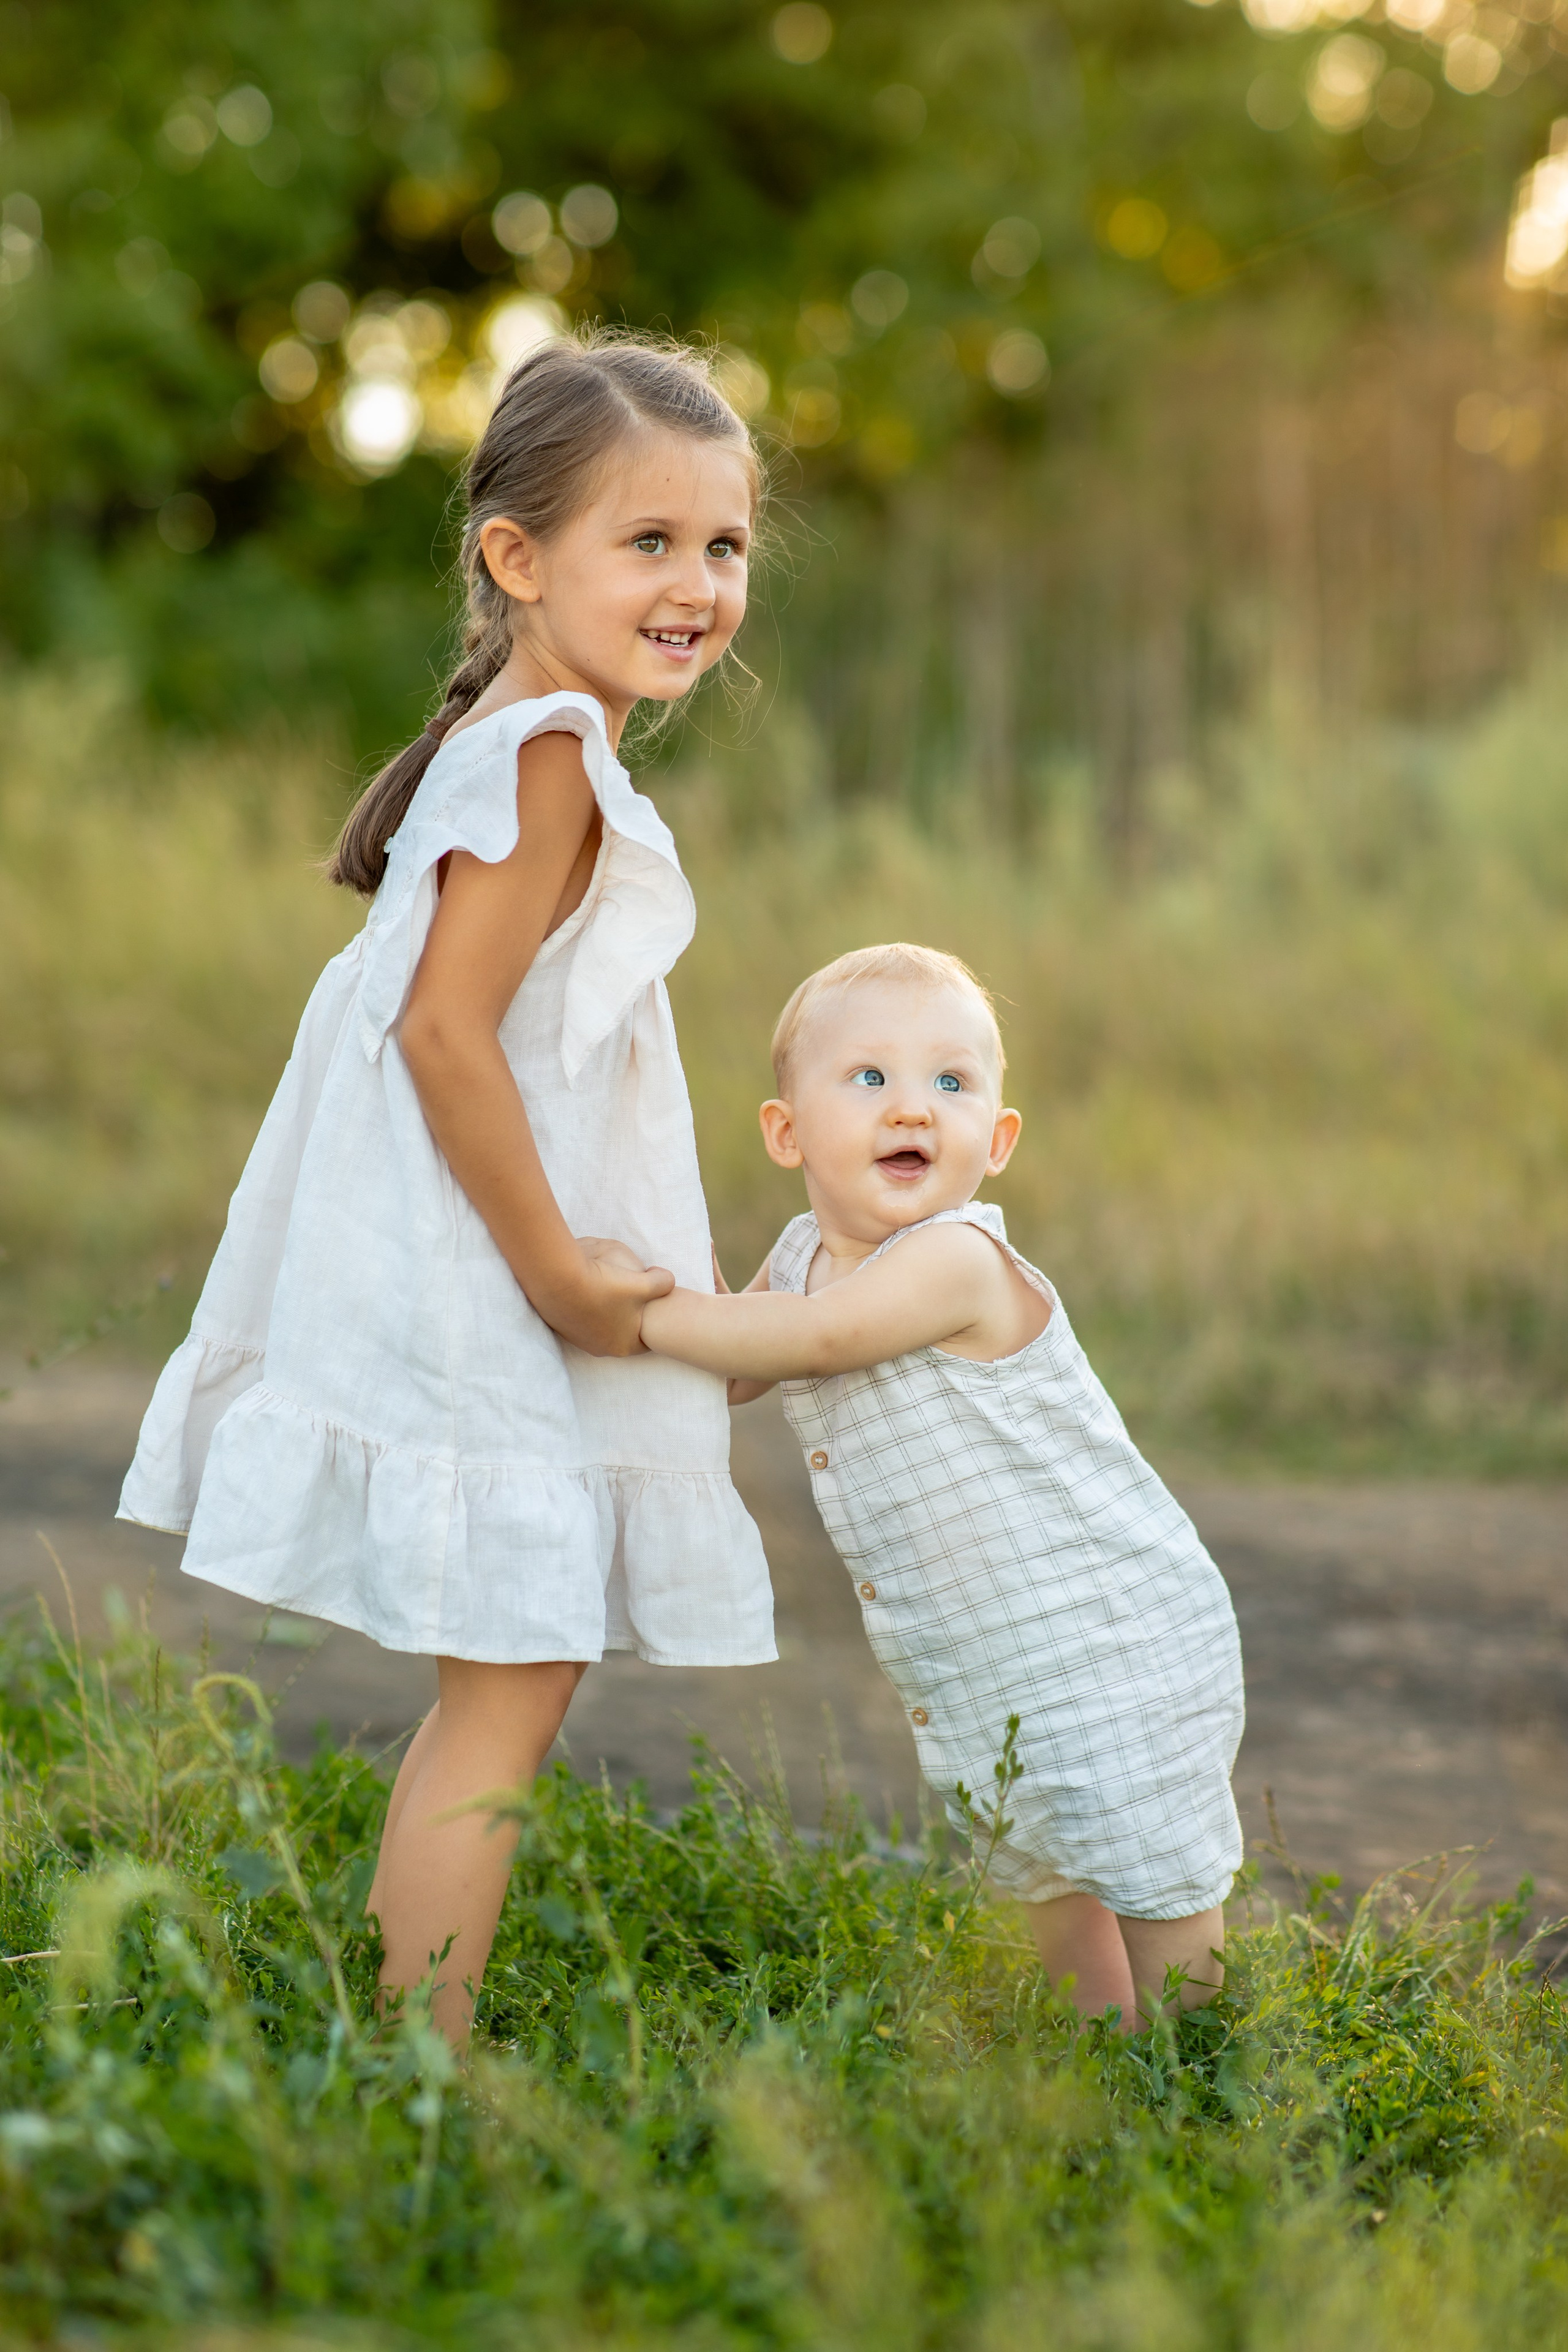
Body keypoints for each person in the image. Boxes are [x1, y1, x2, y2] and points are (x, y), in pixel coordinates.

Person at [118, 330, 775, 2045]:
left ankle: (419, 2028)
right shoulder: (547, 755)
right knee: (510, 1681)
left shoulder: (522, 737)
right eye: (648, 542)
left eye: (724, 546)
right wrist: (563, 1275)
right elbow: (443, 1032)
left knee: (507, 1676)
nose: (697, 583)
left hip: (453, 1246)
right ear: (517, 557)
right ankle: (424, 2061)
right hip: (485, 1267)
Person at [628, 942, 1245, 2032]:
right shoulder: (800, 1259)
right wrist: (658, 1275)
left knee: (1152, 1871)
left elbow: (815, 1342)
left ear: (996, 1141)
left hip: (1114, 1632)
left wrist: (631, 1314)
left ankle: (1205, 2069)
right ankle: (1103, 2069)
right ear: (788, 1132)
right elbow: (738, 1365)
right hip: (997, 1659)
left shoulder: (953, 1260)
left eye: (950, 1084)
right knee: (1040, 1868)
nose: (913, 1108)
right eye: (870, 1079)